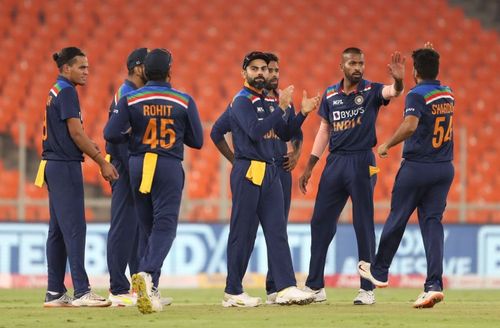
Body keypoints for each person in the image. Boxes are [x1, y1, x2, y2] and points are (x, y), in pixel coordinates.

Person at [299, 47, 405, 305]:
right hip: (335, 162)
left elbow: (393, 91)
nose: (358, 68)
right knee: (319, 223)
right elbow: (325, 129)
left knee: (363, 224)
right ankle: (315, 286)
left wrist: (399, 80)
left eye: (361, 63)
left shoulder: (370, 90)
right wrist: (310, 165)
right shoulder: (330, 94)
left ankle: (367, 289)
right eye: (353, 63)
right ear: (342, 66)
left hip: (362, 160)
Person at [104, 48, 203, 314]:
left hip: (138, 164)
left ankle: (150, 288)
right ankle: (146, 275)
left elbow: (111, 133)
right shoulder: (183, 100)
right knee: (166, 226)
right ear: (170, 71)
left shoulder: (131, 98)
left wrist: (136, 137)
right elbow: (198, 141)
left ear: (145, 71)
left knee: (147, 227)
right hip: (168, 164)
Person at [358, 43, 454, 309]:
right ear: (437, 69)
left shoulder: (416, 95)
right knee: (433, 224)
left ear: (415, 73)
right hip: (444, 167)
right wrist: (427, 55)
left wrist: (388, 144)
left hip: (417, 167)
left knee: (398, 217)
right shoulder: (448, 93)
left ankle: (379, 270)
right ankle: (434, 285)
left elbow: (411, 125)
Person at [221, 51, 319, 307]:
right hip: (250, 172)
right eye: (254, 69)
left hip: (271, 172)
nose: (261, 73)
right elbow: (255, 132)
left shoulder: (267, 100)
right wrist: (283, 108)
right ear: (244, 73)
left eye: (264, 68)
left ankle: (285, 286)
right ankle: (233, 291)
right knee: (243, 233)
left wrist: (302, 114)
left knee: (277, 231)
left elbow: (284, 131)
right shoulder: (241, 101)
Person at [36, 47, 118, 308]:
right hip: (64, 166)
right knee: (74, 228)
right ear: (66, 68)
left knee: (58, 231)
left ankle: (55, 292)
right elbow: (76, 134)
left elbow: (71, 133)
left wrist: (87, 144)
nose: (86, 72)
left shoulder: (56, 90)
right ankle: (82, 291)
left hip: (52, 164)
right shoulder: (68, 91)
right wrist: (102, 161)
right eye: (81, 67)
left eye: (87, 67)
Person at [105, 48, 150, 307]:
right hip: (125, 167)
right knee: (123, 227)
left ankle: (137, 289)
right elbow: (114, 135)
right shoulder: (127, 93)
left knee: (135, 229)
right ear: (136, 67)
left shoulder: (134, 94)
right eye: (147, 65)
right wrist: (130, 165)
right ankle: (117, 288)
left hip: (131, 165)